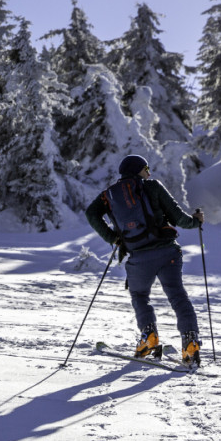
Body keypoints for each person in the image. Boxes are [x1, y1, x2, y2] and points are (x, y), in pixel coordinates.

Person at [85, 154, 205, 366]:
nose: (149, 172)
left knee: (140, 295)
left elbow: (92, 213)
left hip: (138, 257)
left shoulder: (109, 195)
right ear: (137, 170)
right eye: (145, 168)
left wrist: (113, 238)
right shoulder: (153, 187)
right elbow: (179, 219)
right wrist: (195, 221)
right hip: (168, 252)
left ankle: (149, 339)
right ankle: (190, 345)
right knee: (178, 296)